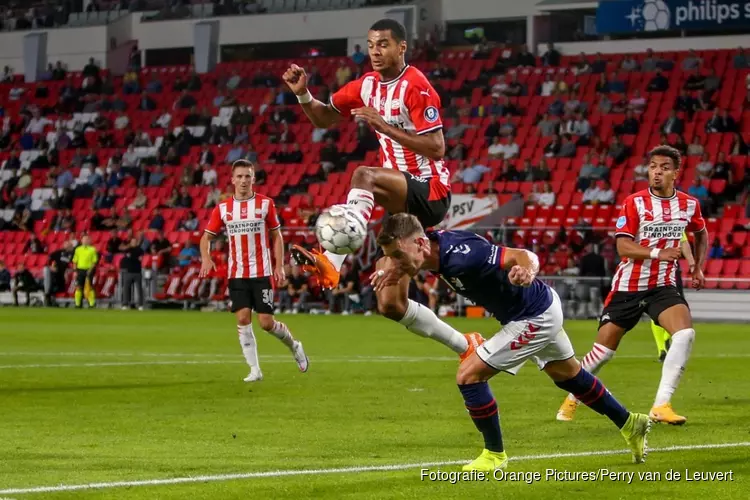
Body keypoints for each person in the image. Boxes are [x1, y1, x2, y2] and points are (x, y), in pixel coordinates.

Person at [372, 214, 650, 471]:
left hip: (534, 315)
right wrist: (391, 268)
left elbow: (521, 255)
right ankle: (630, 423)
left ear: (420, 243)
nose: (395, 262)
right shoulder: (430, 247)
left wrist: (526, 270)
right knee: (569, 376)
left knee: (469, 375)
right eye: (390, 257)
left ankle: (494, 455)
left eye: (397, 256)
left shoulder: (464, 256)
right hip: (534, 309)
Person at [283, 19, 474, 360]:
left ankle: (333, 259)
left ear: (402, 47)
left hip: (430, 191)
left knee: (364, 175)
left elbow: (436, 147)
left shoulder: (417, 86)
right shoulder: (366, 85)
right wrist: (302, 94)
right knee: (390, 303)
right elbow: (325, 118)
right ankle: (465, 345)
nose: (375, 51)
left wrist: (383, 125)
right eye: (371, 44)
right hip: (402, 207)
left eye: (383, 44)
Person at [556, 145, 708, 426]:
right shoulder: (634, 202)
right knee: (602, 353)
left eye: (664, 167)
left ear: (676, 172)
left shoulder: (688, 204)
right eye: (652, 166)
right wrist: (657, 253)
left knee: (685, 334)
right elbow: (623, 246)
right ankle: (573, 396)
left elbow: (700, 232)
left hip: (663, 285)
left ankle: (661, 405)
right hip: (628, 286)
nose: (657, 172)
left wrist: (697, 265)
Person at [199, 160, 308, 382]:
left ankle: (294, 345)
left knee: (266, 322)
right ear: (232, 180)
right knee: (242, 318)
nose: (243, 180)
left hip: (261, 272)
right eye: (239, 176)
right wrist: (206, 259)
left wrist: (278, 265)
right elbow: (206, 237)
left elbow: (277, 236)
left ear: (253, 179)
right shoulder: (223, 208)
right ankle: (254, 370)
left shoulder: (266, 204)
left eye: (247, 176)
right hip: (236, 273)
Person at [652, 231, 695, 362]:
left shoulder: (670, 219)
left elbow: (683, 242)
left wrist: (693, 264)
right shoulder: (673, 219)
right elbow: (684, 242)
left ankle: (661, 348)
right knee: (675, 306)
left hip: (657, 270)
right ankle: (665, 341)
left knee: (657, 308)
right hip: (664, 270)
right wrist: (692, 264)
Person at [72, 234, 99, 309]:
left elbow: (94, 261)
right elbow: (74, 261)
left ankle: (92, 304)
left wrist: (90, 270)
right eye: (84, 239)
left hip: (89, 270)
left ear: (90, 241)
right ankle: (78, 304)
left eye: (87, 239)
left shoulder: (93, 249)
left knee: (89, 287)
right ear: (81, 240)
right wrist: (75, 271)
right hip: (80, 270)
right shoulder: (78, 249)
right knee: (78, 287)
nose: (86, 240)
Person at [44, 240, 74, 306]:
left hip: (66, 274)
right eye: (66, 244)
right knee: (48, 272)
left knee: (59, 287)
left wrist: (67, 271)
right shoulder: (59, 252)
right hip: (57, 273)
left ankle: (50, 297)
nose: (67, 246)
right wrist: (50, 266)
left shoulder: (73, 253)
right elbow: (49, 258)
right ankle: (48, 298)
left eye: (69, 244)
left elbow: (73, 265)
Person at [120, 238, 145, 311]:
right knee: (126, 289)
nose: (133, 243)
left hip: (137, 272)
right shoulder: (127, 249)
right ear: (130, 243)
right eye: (132, 241)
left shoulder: (140, 250)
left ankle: (140, 305)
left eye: (135, 241)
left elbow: (140, 258)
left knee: (139, 289)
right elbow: (122, 249)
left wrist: (133, 258)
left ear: (137, 242)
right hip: (129, 272)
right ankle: (125, 304)